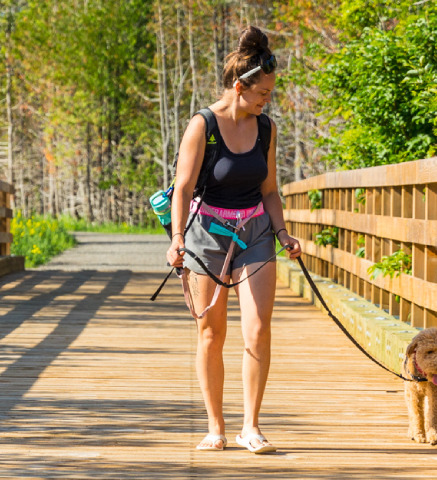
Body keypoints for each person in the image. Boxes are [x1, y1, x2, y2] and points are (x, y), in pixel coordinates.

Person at [164, 25, 299, 454]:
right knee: (211, 332)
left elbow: (271, 189)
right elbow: (183, 188)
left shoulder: (266, 129)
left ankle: (251, 427)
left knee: (258, 331)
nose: (267, 101)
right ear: (239, 87)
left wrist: (282, 231)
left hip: (256, 233)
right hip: (207, 235)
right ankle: (215, 427)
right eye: (262, 93)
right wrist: (178, 239)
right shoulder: (202, 125)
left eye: (270, 95)